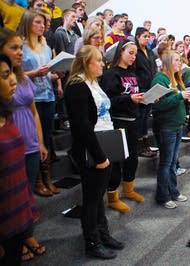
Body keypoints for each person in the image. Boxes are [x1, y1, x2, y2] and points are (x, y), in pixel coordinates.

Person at [64, 45, 124, 260]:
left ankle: (103, 234)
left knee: (99, 195)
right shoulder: (77, 85)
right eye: (98, 60)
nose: (102, 63)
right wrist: (99, 156)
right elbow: (82, 126)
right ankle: (92, 243)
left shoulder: (93, 82)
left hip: (105, 141)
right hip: (92, 147)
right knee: (92, 198)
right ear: (85, 63)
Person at [0, 28, 48, 262]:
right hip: (7, 142)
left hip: (26, 139)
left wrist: (39, 141)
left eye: (21, 47)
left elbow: (34, 111)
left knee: (24, 191)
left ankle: (24, 235)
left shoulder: (23, 77)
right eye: (14, 47)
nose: (20, 52)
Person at [100, 40, 145, 213]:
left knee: (132, 158)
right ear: (121, 52)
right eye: (131, 53)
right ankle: (112, 197)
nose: (134, 57)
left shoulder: (133, 74)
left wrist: (145, 98)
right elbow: (109, 101)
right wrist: (129, 99)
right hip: (118, 121)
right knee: (116, 160)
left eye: (135, 53)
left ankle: (128, 190)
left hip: (133, 120)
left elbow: (133, 95)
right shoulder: (111, 74)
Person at [18, 10, 60, 196]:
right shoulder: (21, 46)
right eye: (38, 22)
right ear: (28, 24)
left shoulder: (45, 45)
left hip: (48, 95)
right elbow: (16, 73)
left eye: (43, 23)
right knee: (36, 138)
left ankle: (47, 177)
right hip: (31, 97)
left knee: (47, 137)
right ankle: (37, 181)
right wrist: (35, 73)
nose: (42, 26)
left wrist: (57, 73)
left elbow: (48, 71)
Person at [151, 50, 190, 208]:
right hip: (166, 126)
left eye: (180, 60)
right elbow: (159, 104)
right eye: (176, 60)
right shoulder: (160, 78)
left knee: (173, 161)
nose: (179, 62)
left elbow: (178, 101)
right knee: (166, 162)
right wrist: (180, 96)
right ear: (168, 61)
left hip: (176, 124)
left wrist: (188, 99)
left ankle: (173, 191)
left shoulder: (176, 78)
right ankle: (163, 196)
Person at [134, 27, 157, 157]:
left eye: (148, 36)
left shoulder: (149, 51)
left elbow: (153, 69)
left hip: (150, 87)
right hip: (141, 87)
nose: (147, 38)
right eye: (145, 36)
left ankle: (145, 145)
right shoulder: (135, 52)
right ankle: (140, 146)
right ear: (137, 37)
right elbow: (135, 70)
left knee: (146, 115)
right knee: (140, 117)